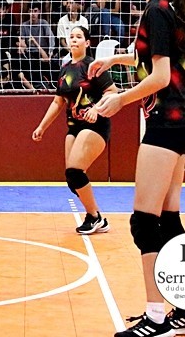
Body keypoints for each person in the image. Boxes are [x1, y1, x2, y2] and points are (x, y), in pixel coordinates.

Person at [88, 0, 185, 337]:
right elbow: (157, 61)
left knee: (144, 222)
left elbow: (158, 77)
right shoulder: (165, 7)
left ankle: (156, 318)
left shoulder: (155, 11)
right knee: (168, 219)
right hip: (182, 120)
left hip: (166, 123)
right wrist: (113, 58)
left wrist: (119, 99)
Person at [31, 26, 117, 233]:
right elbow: (58, 102)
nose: (74, 40)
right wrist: (42, 126)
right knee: (72, 179)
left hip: (95, 125)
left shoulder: (93, 66)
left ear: (87, 43)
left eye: (79, 37)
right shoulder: (65, 68)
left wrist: (96, 109)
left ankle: (94, 216)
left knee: (75, 171)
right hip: (73, 126)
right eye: (71, 37)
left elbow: (112, 92)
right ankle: (97, 217)